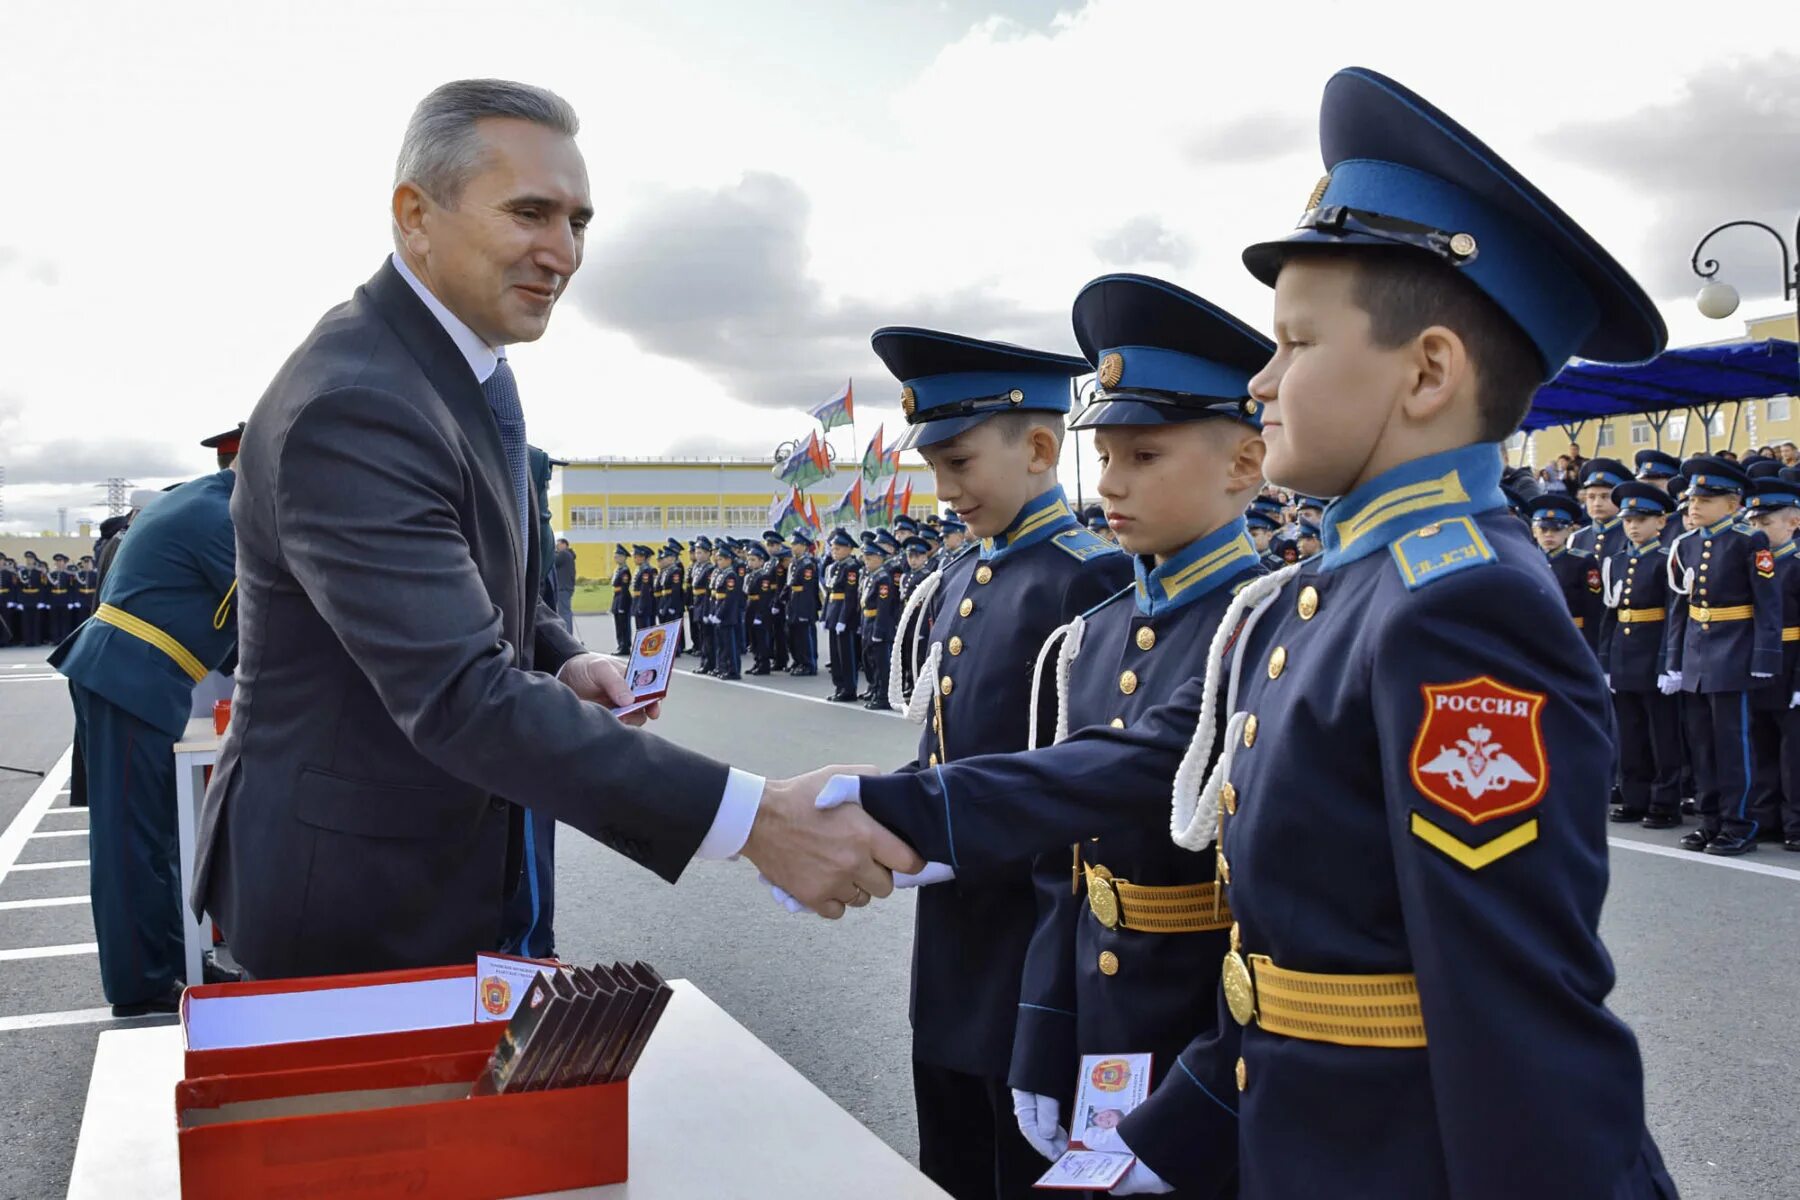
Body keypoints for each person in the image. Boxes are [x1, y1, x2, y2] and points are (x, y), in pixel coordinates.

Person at [838, 66, 1676, 1198]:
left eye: (1295, 344)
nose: (1266, 380)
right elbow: (1294, 961)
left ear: (1427, 372)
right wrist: (1168, 1141)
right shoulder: (1333, 591)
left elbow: (1511, 1004)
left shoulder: (1459, 601)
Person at [191, 78, 919, 981]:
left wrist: (558, 654)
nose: (563, 253)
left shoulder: (465, 364)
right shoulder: (359, 403)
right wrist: (758, 819)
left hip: (453, 855)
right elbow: (459, 693)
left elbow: (480, 576)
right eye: (530, 213)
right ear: (415, 215)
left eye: (578, 221)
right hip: (353, 897)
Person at [1003, 274, 1271, 1190]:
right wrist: (1044, 1024)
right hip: (1102, 1013)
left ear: (1243, 465)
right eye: (1105, 457)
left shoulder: (1265, 627)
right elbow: (1063, 866)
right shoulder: (1096, 632)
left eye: (1144, 456)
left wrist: (1210, 1097)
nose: (1110, 485)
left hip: (1215, 1026)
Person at [874, 323, 1131, 1200]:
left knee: (1022, 1163)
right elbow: (940, 749)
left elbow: (1090, 782)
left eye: (958, 464)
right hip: (953, 929)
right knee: (947, 1154)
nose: (944, 491)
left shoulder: (1089, 579)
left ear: (1037, 446)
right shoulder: (959, 574)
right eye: (934, 468)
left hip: (1032, 935)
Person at [49, 468, 239, 1014]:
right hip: (130, 678)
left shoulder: (205, 500)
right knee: (130, 843)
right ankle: (140, 984)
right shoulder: (216, 514)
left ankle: (170, 962)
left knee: (157, 837)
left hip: (137, 678)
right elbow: (262, 609)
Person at [1665, 454, 1782, 856]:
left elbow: (1768, 606)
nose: (1694, 506)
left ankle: (1740, 823)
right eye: (1693, 499)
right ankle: (1710, 820)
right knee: (1702, 746)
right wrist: (1675, 661)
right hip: (1699, 656)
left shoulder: (1750, 541)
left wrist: (1766, 658)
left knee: (1733, 747)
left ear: (1733, 504)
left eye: (1706, 500)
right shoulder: (1687, 545)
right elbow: (1683, 607)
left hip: (1735, 653)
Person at [1596, 482, 1682, 827]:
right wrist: (1605, 663)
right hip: (1624, 655)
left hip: (1653, 654)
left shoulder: (1665, 560)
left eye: (1642, 519)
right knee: (1629, 732)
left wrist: (1668, 663)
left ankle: (1664, 802)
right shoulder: (1615, 562)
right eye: (1629, 519)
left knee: (1662, 734)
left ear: (1660, 523)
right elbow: (1609, 617)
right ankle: (1635, 797)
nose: (1633, 526)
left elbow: (1673, 615)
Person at [1531, 494, 1601, 651]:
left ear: (1569, 531)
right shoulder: (1528, 559)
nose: (1549, 534)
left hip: (1572, 635)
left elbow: (1593, 609)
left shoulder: (1582, 561)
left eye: (1556, 529)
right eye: (1543, 529)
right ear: (1534, 532)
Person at [821, 530, 862, 701]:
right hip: (833, 611)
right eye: (833, 548)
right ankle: (839, 686)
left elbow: (850, 596)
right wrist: (825, 616)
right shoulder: (833, 567)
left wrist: (843, 620)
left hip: (844, 615)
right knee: (835, 655)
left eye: (838, 548)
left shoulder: (851, 567)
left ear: (848, 549)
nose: (834, 551)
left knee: (846, 655)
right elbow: (829, 593)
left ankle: (849, 688)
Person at [1570, 457, 1629, 565]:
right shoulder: (1577, 538)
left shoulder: (1629, 536)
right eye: (1591, 497)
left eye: (1605, 496)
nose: (1597, 503)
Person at [708, 543, 744, 680]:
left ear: (729, 560)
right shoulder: (721, 574)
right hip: (719, 612)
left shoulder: (731, 576)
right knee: (722, 644)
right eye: (718, 559)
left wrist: (719, 614)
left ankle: (733, 670)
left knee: (730, 645)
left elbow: (729, 599)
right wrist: (712, 612)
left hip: (727, 615)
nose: (719, 562)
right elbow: (715, 596)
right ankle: (723, 667)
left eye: (721, 559)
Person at [787, 531, 821, 675]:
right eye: (792, 544)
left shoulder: (807, 564)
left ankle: (809, 664)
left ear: (804, 546)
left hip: (803, 603)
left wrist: (805, 610)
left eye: (796, 544)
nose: (793, 547)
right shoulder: (796, 562)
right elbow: (790, 584)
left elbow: (808, 589)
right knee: (795, 635)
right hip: (795, 601)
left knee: (804, 635)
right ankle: (799, 660)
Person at [606, 545, 632, 654]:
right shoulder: (618, 570)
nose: (615, 557)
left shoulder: (625, 571)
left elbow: (624, 589)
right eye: (615, 556)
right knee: (618, 624)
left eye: (618, 556)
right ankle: (620, 644)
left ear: (623, 557)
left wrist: (621, 605)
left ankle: (625, 646)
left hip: (623, 599)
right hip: (617, 598)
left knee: (624, 625)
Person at [630, 544, 657, 635]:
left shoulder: (646, 570)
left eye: (636, 556)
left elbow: (645, 590)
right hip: (638, 601)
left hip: (643, 603)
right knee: (640, 628)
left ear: (642, 557)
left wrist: (641, 606)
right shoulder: (640, 569)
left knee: (644, 629)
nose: (634, 559)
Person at [553, 537, 578, 633]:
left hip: (563, 588)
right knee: (565, 612)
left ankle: (567, 634)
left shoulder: (564, 554)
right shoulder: (569, 555)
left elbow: (554, 560)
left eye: (558, 545)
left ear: (564, 544)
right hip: (567, 587)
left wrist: (551, 551)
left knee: (564, 613)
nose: (556, 547)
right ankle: (568, 633)